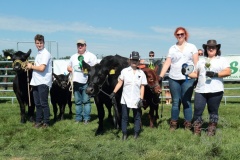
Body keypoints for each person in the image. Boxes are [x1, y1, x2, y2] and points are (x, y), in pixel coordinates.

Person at [182, 40, 231, 136]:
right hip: (201, 90)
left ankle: (211, 130)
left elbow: (228, 72)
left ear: (217, 49)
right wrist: (186, 72)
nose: (211, 48)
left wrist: (216, 74)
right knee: (198, 110)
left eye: (213, 47)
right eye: (209, 47)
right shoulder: (201, 61)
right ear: (206, 49)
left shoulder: (222, 60)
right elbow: (196, 74)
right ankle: (197, 130)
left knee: (213, 111)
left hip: (216, 90)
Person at [158, 27, 198, 131]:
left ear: (185, 35)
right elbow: (167, 63)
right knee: (175, 101)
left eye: (182, 34)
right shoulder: (172, 48)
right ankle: (173, 123)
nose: (180, 36)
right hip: (174, 78)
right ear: (176, 36)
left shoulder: (192, 47)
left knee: (186, 101)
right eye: (178, 34)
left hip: (188, 78)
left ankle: (188, 124)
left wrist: (197, 75)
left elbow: (196, 63)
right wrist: (160, 76)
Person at [110, 51, 147, 140]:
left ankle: (136, 133)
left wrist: (141, 99)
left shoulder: (141, 73)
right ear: (129, 61)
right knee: (124, 117)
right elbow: (120, 83)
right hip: (125, 98)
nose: (134, 61)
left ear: (138, 61)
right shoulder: (124, 71)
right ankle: (124, 133)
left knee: (137, 117)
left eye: (136, 60)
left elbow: (142, 87)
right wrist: (114, 92)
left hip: (136, 99)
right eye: (132, 60)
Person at [67, 39, 97, 124]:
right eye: (78, 45)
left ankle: (86, 118)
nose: (80, 46)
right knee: (77, 102)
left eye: (82, 45)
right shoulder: (73, 56)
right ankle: (78, 118)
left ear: (85, 46)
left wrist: (87, 70)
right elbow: (68, 66)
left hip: (86, 82)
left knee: (86, 101)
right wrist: (69, 68)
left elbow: (95, 69)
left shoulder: (91, 56)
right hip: (76, 82)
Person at [26, 34, 52, 128]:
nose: (39, 44)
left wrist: (31, 66)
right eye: (37, 43)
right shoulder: (38, 53)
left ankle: (46, 122)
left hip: (43, 81)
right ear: (35, 43)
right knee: (37, 103)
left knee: (43, 103)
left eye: (40, 43)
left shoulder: (46, 53)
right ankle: (38, 121)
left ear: (43, 43)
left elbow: (41, 68)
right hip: (36, 81)